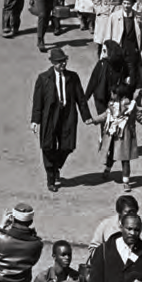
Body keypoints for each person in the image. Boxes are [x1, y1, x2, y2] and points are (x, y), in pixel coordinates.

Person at [31, 48, 95, 192]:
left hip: (67, 115)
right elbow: (38, 102)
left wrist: (87, 116)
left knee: (68, 145)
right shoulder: (43, 78)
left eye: (64, 61)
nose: (63, 64)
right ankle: (51, 178)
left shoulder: (73, 77)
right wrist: (35, 120)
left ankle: (56, 166)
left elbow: (81, 98)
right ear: (53, 63)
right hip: (50, 116)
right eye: (59, 62)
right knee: (48, 147)